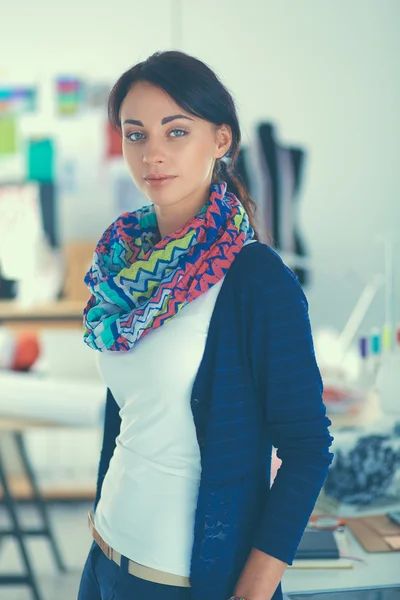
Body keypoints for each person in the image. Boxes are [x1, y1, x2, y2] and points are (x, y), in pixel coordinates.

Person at [78, 51, 334, 600]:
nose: (153, 154)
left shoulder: (258, 280)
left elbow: (308, 449)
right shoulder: (121, 270)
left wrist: (252, 593)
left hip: (184, 582)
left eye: (176, 132)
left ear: (221, 141)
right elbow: (131, 413)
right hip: (104, 560)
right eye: (136, 134)